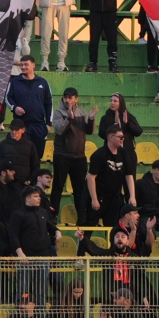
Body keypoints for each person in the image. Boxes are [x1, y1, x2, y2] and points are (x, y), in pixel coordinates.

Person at [51, 86, 95, 222]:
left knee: (80, 189)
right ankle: (53, 215)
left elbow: (89, 131)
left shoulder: (82, 112)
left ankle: (81, 217)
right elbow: (59, 130)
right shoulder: (58, 112)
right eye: (65, 97)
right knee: (58, 185)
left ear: (76, 99)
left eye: (70, 97)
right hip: (62, 154)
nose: (67, 100)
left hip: (79, 156)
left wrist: (92, 119)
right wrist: (69, 118)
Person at [8, 186, 59, 303]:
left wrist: (57, 231)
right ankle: (20, 316)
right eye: (36, 196)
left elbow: (50, 225)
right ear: (27, 198)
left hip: (43, 257)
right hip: (26, 257)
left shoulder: (43, 212)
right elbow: (13, 235)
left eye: (39, 196)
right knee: (23, 289)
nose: (39, 199)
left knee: (41, 290)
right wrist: (20, 253)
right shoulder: (18, 214)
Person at [88, 125, 136, 227]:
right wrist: (94, 199)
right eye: (120, 137)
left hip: (115, 197)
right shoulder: (99, 154)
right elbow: (91, 177)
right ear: (111, 137)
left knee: (113, 228)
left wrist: (132, 196)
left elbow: (129, 175)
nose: (122, 139)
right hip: (100, 195)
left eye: (123, 137)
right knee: (89, 225)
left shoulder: (124, 153)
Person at [5, 56, 52, 159]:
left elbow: (49, 103)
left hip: (39, 126)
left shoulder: (43, 82)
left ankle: (35, 176)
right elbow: (8, 98)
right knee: (21, 158)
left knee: (37, 158)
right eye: (21, 65)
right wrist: (14, 107)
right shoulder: (14, 82)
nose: (23, 67)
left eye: (26, 64)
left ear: (33, 65)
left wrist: (48, 124)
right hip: (22, 126)